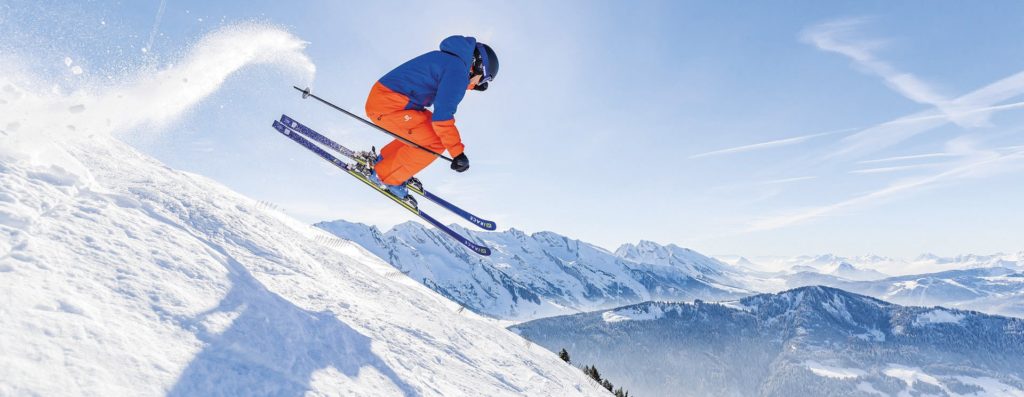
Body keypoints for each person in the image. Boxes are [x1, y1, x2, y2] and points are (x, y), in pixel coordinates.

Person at [359, 35, 498, 207]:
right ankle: (386, 176)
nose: (480, 84)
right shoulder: (458, 72)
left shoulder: (450, 61)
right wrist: (458, 154)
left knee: (428, 132)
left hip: (388, 100)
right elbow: (443, 116)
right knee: (434, 143)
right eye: (484, 79)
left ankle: (387, 162)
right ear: (478, 66)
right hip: (390, 105)